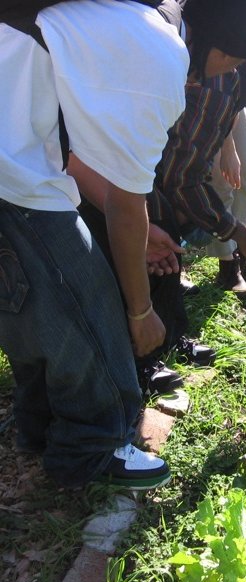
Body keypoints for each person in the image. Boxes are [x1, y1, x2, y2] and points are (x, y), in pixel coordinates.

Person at [0, 0, 189, 490]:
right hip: (14, 175)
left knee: (24, 305)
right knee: (91, 308)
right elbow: (129, 205)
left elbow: (80, 160)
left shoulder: (89, 22)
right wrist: (140, 311)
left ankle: (40, 430)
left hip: (14, 154)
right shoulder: (158, 51)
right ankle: (93, 450)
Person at [70, 0, 246, 393]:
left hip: (108, 165)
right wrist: (140, 310)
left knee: (160, 245)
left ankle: (165, 337)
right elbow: (147, 184)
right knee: (128, 258)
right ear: (223, 53)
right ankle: (131, 367)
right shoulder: (169, 59)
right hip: (75, 164)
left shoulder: (182, 45)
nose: (224, 76)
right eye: (233, 64)